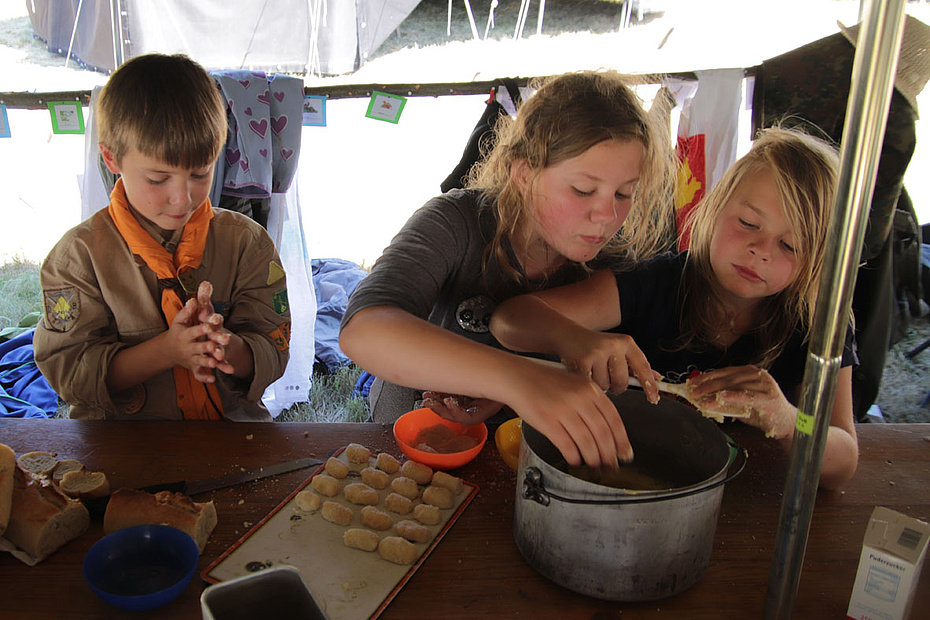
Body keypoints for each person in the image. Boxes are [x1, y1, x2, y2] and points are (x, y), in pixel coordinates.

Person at [340, 70, 677, 469]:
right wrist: (517, 380)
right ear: (524, 175)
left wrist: (510, 389)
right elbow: (365, 330)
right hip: (417, 431)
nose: (607, 215)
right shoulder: (455, 222)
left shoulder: (611, 260)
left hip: (527, 454)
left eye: (624, 193)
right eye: (584, 190)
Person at [490, 126, 858, 489]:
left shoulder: (815, 324)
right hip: (622, 472)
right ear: (714, 207)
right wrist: (573, 338)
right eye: (748, 223)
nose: (761, 250)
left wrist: (792, 421)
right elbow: (510, 319)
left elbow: (842, 462)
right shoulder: (657, 283)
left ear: (817, 260)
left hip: (743, 498)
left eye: (790, 245)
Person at [33, 53, 291, 421]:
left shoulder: (247, 243)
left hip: (232, 439)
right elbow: (68, 370)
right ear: (111, 159)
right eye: (158, 179)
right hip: (121, 447)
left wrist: (225, 348)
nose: (182, 198)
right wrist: (167, 351)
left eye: (201, 174)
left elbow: (274, 344)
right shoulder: (77, 257)